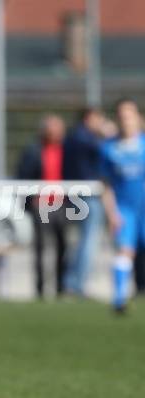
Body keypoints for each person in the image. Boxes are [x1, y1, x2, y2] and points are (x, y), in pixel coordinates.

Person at [100, 98, 145, 312]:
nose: (126, 120)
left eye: (129, 115)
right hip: (125, 208)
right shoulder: (108, 149)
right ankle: (119, 299)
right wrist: (111, 213)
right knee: (125, 251)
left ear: (138, 118)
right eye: (122, 116)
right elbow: (106, 184)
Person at [17, 114, 68, 298]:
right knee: (40, 248)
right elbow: (23, 176)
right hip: (40, 205)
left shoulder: (67, 150)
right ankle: (40, 289)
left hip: (62, 205)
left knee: (63, 247)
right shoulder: (33, 151)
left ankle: (61, 287)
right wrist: (30, 200)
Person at [62, 107, 106, 296]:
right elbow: (102, 151)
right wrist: (108, 135)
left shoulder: (74, 137)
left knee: (82, 240)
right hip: (87, 194)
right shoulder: (83, 138)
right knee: (88, 240)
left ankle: (73, 281)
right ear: (89, 119)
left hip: (78, 194)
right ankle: (76, 284)